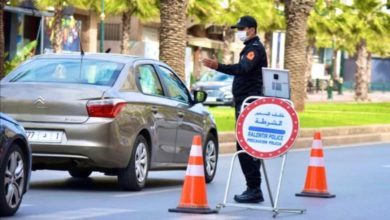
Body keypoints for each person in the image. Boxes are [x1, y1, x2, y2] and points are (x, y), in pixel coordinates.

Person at [202, 15, 268, 203]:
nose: (239, 32)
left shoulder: (254, 49)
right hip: (244, 102)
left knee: (245, 145)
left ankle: (254, 188)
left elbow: (243, 69)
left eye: (242, 28)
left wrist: (218, 66)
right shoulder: (249, 48)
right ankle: (254, 187)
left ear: (252, 30)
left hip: (249, 103)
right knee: (246, 145)